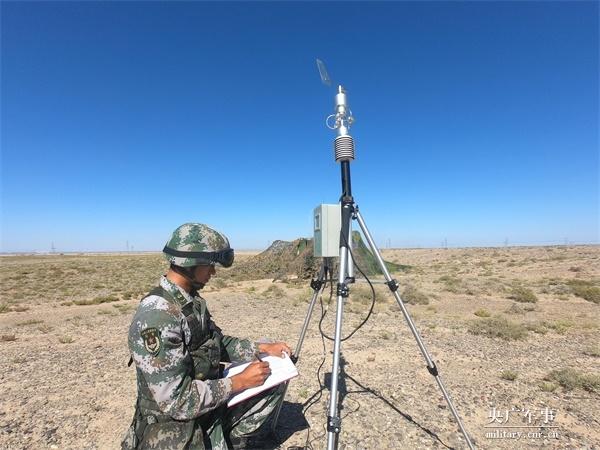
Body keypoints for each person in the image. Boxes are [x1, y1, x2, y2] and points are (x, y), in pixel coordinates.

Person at [122, 223, 292, 449]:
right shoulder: (158, 317)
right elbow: (177, 401)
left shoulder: (190, 302)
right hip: (176, 426)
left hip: (205, 400)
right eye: (210, 265)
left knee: (273, 384)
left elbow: (217, 344)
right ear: (190, 263)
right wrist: (238, 382)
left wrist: (261, 349)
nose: (213, 272)